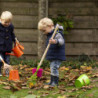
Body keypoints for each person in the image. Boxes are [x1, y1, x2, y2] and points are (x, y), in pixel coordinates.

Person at [38, 17, 66, 87]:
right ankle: (51, 81)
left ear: (50, 26)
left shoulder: (57, 33)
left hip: (57, 55)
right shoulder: (49, 34)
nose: (44, 33)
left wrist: (55, 41)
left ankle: (55, 82)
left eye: (44, 30)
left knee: (54, 68)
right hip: (53, 55)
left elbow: (61, 41)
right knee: (52, 68)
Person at [0, 11, 16, 76]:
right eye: (5, 22)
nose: (7, 24)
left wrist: (15, 39)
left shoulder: (11, 26)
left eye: (9, 22)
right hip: (0, 47)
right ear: (1, 20)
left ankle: (7, 73)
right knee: (0, 61)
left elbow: (12, 34)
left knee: (7, 60)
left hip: (8, 47)